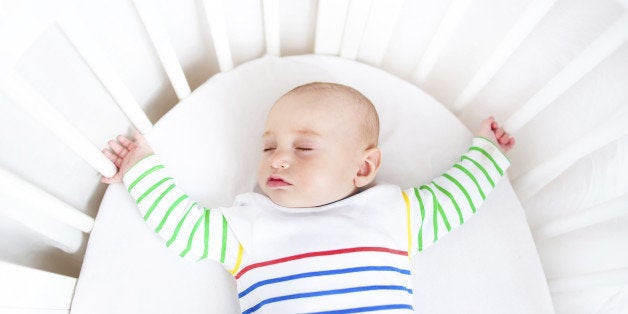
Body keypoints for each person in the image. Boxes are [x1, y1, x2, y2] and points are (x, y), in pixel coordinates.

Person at [101, 82, 515, 313]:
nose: (278, 159)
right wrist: (141, 167)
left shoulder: (392, 214)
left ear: (364, 168)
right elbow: (183, 229)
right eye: (268, 147)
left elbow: (457, 197)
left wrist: (486, 153)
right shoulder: (248, 225)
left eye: (304, 148)